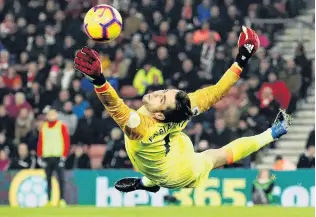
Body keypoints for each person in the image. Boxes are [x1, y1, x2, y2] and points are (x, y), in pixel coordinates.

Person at [74, 26, 291, 192]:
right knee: (181, 143)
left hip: (178, 172)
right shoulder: (185, 107)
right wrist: (243, 56)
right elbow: (218, 90)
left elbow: (115, 106)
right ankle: (149, 181)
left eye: (161, 99)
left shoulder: (141, 127)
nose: (157, 93)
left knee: (217, 157)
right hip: (173, 145)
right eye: (164, 92)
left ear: (159, 114)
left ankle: (271, 134)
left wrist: (99, 79)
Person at [37, 109, 70, 206]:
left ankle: (62, 200)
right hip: (47, 157)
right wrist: (39, 155)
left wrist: (64, 155)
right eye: (49, 114)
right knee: (47, 180)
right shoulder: (44, 127)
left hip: (58, 156)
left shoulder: (61, 126)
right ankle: (48, 200)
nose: (51, 116)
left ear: (56, 115)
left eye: (53, 114)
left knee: (61, 179)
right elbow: (40, 141)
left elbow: (66, 141)